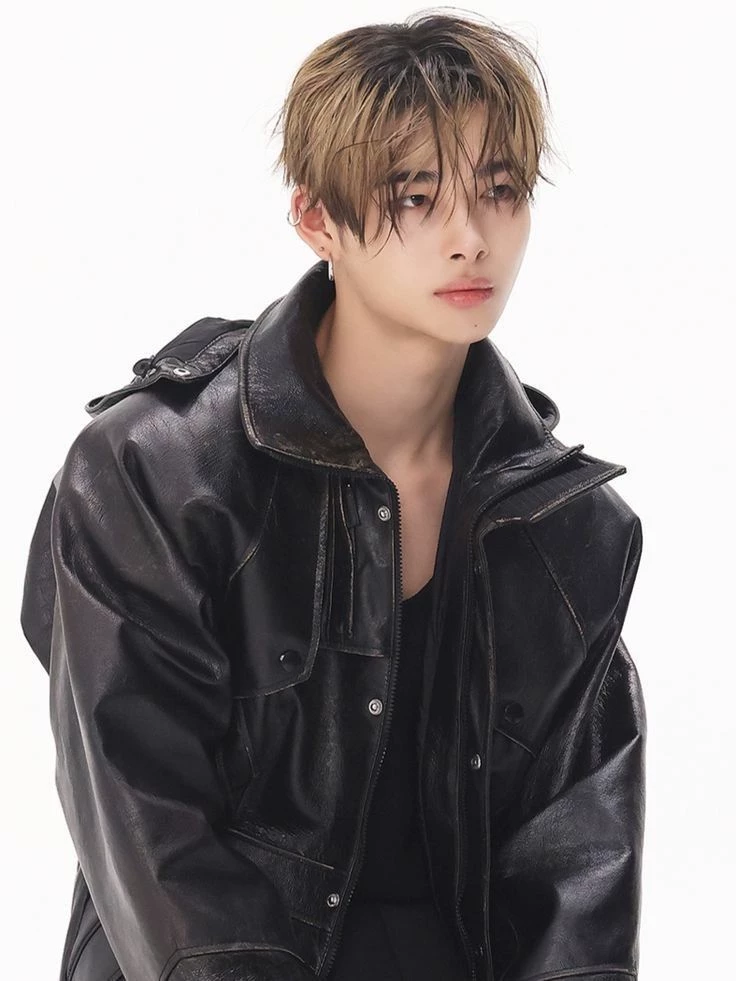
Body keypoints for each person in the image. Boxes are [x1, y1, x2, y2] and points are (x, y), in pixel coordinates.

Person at [20, 9, 646, 981]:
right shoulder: (151, 472)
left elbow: (581, 879)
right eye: (415, 196)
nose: (469, 238)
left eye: (499, 190)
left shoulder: (566, 527)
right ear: (316, 219)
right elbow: (148, 826)